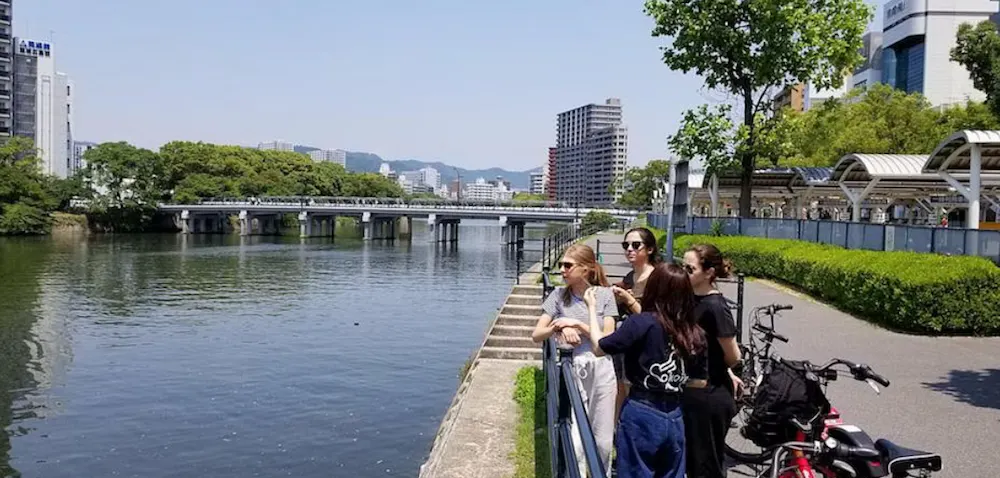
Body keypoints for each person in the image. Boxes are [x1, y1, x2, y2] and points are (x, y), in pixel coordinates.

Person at [585, 263, 706, 478]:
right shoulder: (693, 331)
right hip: (675, 415)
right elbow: (700, 381)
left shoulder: (641, 323)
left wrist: (592, 308)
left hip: (642, 410)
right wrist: (671, 380)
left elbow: (599, 347)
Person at [531, 244, 618, 472]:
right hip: (574, 366)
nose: (562, 270)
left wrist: (577, 325)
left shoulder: (605, 295)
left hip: (602, 366)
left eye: (568, 265)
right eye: (561, 265)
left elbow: (608, 339)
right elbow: (537, 334)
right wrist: (558, 327)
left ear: (586, 269)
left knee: (603, 439)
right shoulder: (558, 296)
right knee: (575, 435)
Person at [681, 244, 743, 478]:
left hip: (710, 394)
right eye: (682, 267)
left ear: (709, 272)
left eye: (690, 269)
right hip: (692, 390)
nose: (684, 273)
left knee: (706, 466)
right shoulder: (689, 298)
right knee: (692, 462)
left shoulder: (715, 307)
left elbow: (733, 355)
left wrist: (723, 370)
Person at [610, 227, 660, 420]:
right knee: (620, 385)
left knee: (635, 388)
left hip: (645, 345)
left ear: (650, 249)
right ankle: (618, 428)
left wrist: (629, 300)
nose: (629, 249)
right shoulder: (630, 277)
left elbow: (655, 319)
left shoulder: (657, 278)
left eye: (636, 245)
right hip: (626, 340)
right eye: (626, 245)